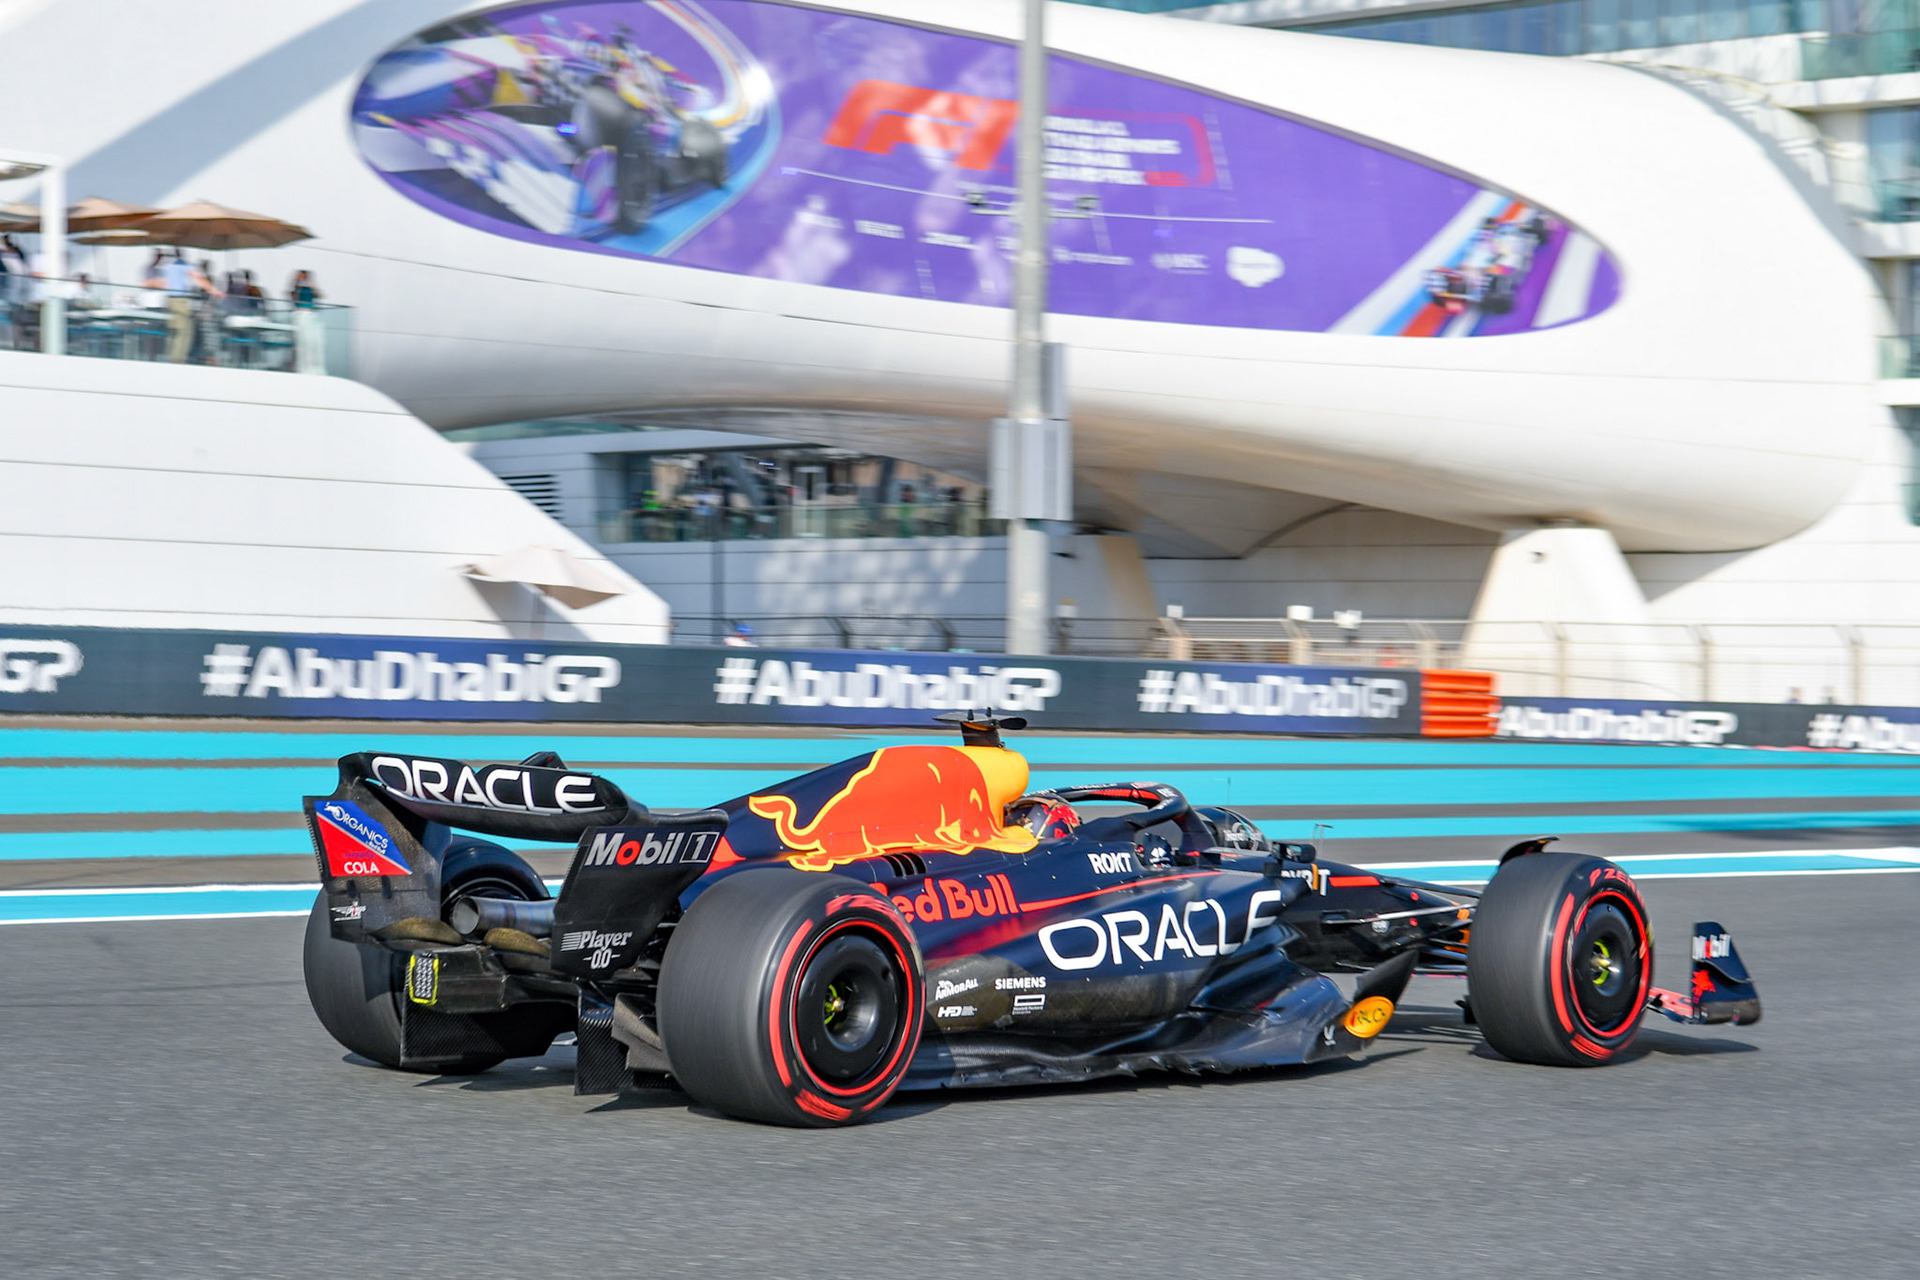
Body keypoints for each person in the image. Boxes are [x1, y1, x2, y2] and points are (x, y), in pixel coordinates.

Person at [289, 269, 325, 373]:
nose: (300, 279)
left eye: (302, 277)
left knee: (312, 341)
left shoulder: (310, 288)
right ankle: (302, 366)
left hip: (310, 315)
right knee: (302, 341)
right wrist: (296, 286)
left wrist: (312, 286)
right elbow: (293, 299)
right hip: (300, 315)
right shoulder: (296, 290)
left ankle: (313, 366)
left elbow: (319, 295)